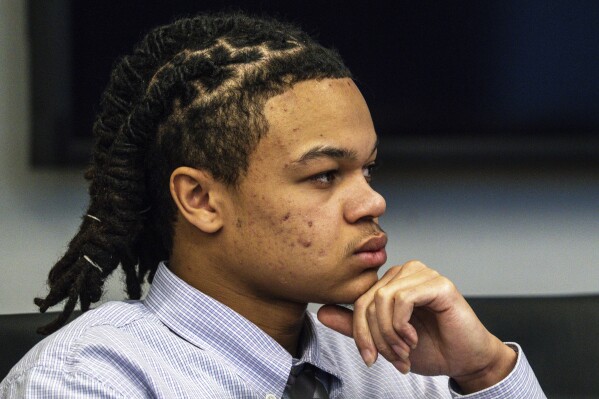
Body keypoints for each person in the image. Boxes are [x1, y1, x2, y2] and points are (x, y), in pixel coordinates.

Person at [0, 12, 545, 398]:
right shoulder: (88, 380)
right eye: (325, 175)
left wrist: (485, 372)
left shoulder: (400, 356)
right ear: (200, 199)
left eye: (368, 169)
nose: (372, 201)